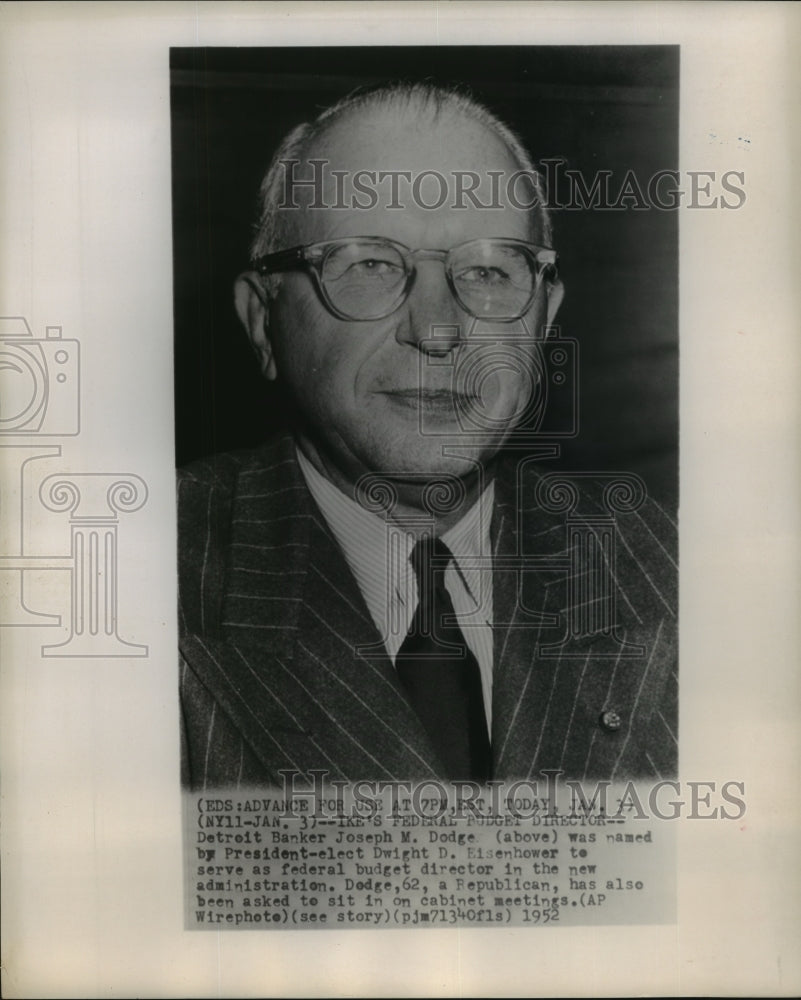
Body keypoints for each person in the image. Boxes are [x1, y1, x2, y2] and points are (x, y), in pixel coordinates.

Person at [177, 82, 677, 790]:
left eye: (487, 270)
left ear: (543, 316)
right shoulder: (141, 582)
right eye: (370, 264)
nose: (438, 329)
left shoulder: (676, 574)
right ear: (263, 319)